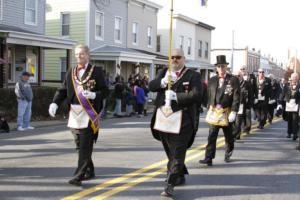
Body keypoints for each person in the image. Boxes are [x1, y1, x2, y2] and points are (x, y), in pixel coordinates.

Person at [48, 44, 108, 186]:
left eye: (81, 54)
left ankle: (78, 175)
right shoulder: (71, 71)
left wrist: (94, 95)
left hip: (89, 113)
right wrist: (55, 103)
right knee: (79, 144)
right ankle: (90, 170)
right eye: (76, 54)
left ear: (88, 55)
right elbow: (62, 90)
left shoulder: (96, 71)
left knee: (85, 145)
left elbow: (106, 91)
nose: (78, 57)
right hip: (74, 113)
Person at [149, 48, 202, 197]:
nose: (174, 60)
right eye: (171, 57)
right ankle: (179, 173)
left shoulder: (193, 75)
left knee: (178, 152)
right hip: (164, 119)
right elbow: (151, 86)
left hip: (183, 120)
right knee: (171, 152)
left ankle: (170, 183)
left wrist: (177, 96)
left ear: (184, 58)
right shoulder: (164, 72)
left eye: (178, 57)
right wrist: (163, 81)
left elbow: (197, 95)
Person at [199, 55, 240, 166]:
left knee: (229, 136)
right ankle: (209, 157)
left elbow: (236, 96)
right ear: (216, 68)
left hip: (227, 112)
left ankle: (228, 151)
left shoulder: (233, 80)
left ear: (226, 67)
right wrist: (208, 106)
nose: (221, 68)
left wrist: (234, 111)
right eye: (219, 66)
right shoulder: (212, 80)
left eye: (223, 66)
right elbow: (208, 95)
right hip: (214, 112)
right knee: (212, 135)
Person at [278, 73, 300, 141]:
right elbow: (282, 94)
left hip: (296, 104)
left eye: (296, 77)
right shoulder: (286, 86)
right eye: (293, 77)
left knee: (295, 119)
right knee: (289, 119)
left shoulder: (299, 86)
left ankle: (295, 134)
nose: (294, 79)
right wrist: (280, 103)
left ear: (298, 78)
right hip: (289, 104)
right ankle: (289, 132)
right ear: (291, 78)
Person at [232, 71, 252, 140]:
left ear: (242, 76)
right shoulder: (231, 83)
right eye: (236, 76)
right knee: (232, 121)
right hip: (232, 104)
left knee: (238, 120)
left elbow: (250, 95)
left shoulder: (247, 84)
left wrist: (249, 104)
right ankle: (235, 133)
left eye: (238, 76)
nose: (237, 77)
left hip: (241, 104)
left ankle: (236, 134)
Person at [239, 66, 256, 134]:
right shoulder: (238, 77)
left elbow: (255, 88)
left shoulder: (251, 77)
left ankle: (248, 128)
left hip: (249, 98)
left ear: (247, 70)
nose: (242, 70)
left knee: (248, 113)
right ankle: (243, 127)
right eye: (241, 69)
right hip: (241, 99)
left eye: (244, 69)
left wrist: (256, 97)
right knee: (242, 114)